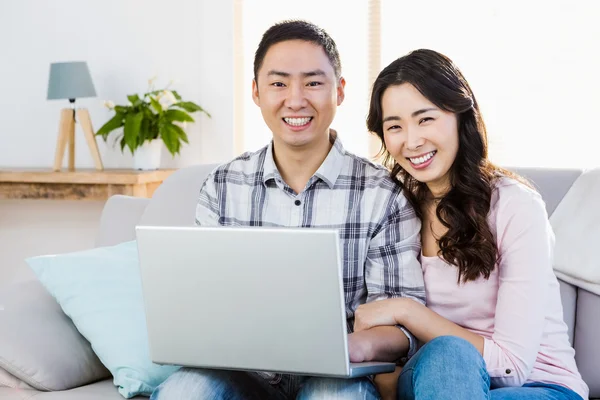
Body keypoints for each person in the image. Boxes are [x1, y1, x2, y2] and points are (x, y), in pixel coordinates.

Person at [150, 20, 425, 400]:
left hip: (337, 375)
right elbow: (202, 302)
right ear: (256, 92)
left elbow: (404, 328)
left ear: (339, 91)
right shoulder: (223, 185)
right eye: (278, 83)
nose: (295, 100)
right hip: (242, 371)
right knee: (186, 391)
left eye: (313, 82)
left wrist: (352, 347)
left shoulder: (384, 195)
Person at [355, 48, 589, 400]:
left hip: (537, 388)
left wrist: (407, 311)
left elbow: (511, 367)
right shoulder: (393, 207)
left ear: (460, 116)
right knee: (444, 360)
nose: (412, 140)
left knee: (451, 354)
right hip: (434, 384)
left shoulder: (514, 205)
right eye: (395, 126)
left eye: (425, 118)